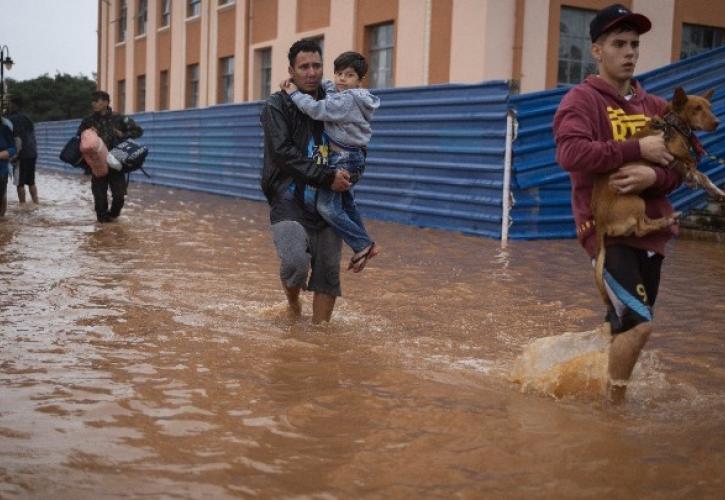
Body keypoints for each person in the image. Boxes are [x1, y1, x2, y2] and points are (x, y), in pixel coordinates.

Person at [553, 3, 682, 403]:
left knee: (622, 326)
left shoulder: (657, 107)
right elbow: (571, 154)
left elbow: (679, 167)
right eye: (618, 43)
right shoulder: (581, 101)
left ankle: (574, 383)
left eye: (634, 44)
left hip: (653, 234)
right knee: (640, 326)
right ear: (596, 50)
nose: (629, 52)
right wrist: (635, 148)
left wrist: (654, 175)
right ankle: (612, 416)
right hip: (606, 233)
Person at [260, 39, 352, 323]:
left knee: (327, 275)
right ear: (291, 70)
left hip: (329, 203)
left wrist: (350, 176)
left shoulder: (336, 101)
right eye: (304, 67)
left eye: (316, 65)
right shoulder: (277, 106)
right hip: (288, 200)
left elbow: (357, 143)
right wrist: (327, 176)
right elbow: (283, 153)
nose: (311, 72)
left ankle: (320, 339)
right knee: (295, 263)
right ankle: (293, 303)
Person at [281, 51, 380, 272]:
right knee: (347, 204)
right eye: (339, 74)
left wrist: (294, 93)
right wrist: (316, 81)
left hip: (345, 159)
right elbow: (330, 87)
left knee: (326, 207)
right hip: (353, 156)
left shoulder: (347, 100)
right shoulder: (348, 94)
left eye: (349, 75)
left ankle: (362, 244)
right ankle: (365, 245)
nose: (342, 79)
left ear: (360, 80)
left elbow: (317, 110)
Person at [77, 90, 143, 223]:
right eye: (93, 101)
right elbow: (79, 137)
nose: (93, 103)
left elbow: (138, 131)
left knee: (119, 197)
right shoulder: (88, 121)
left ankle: (113, 219)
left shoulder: (119, 118)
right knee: (100, 200)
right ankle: (103, 233)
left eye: (97, 101)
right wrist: (88, 132)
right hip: (97, 164)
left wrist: (123, 135)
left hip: (117, 161)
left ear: (106, 102)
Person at [7, 96, 39, 204]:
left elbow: (17, 139)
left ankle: (22, 207)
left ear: (14, 105)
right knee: (31, 182)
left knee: (19, 183)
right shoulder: (27, 117)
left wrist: (15, 156)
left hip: (21, 155)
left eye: (10, 104)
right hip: (32, 153)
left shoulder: (12, 119)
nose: (9, 106)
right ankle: (36, 203)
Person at [0, 116, 16, 217]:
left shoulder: (5, 128)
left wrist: (3, 154)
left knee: (1, 197)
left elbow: (12, 149)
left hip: (1, 170)